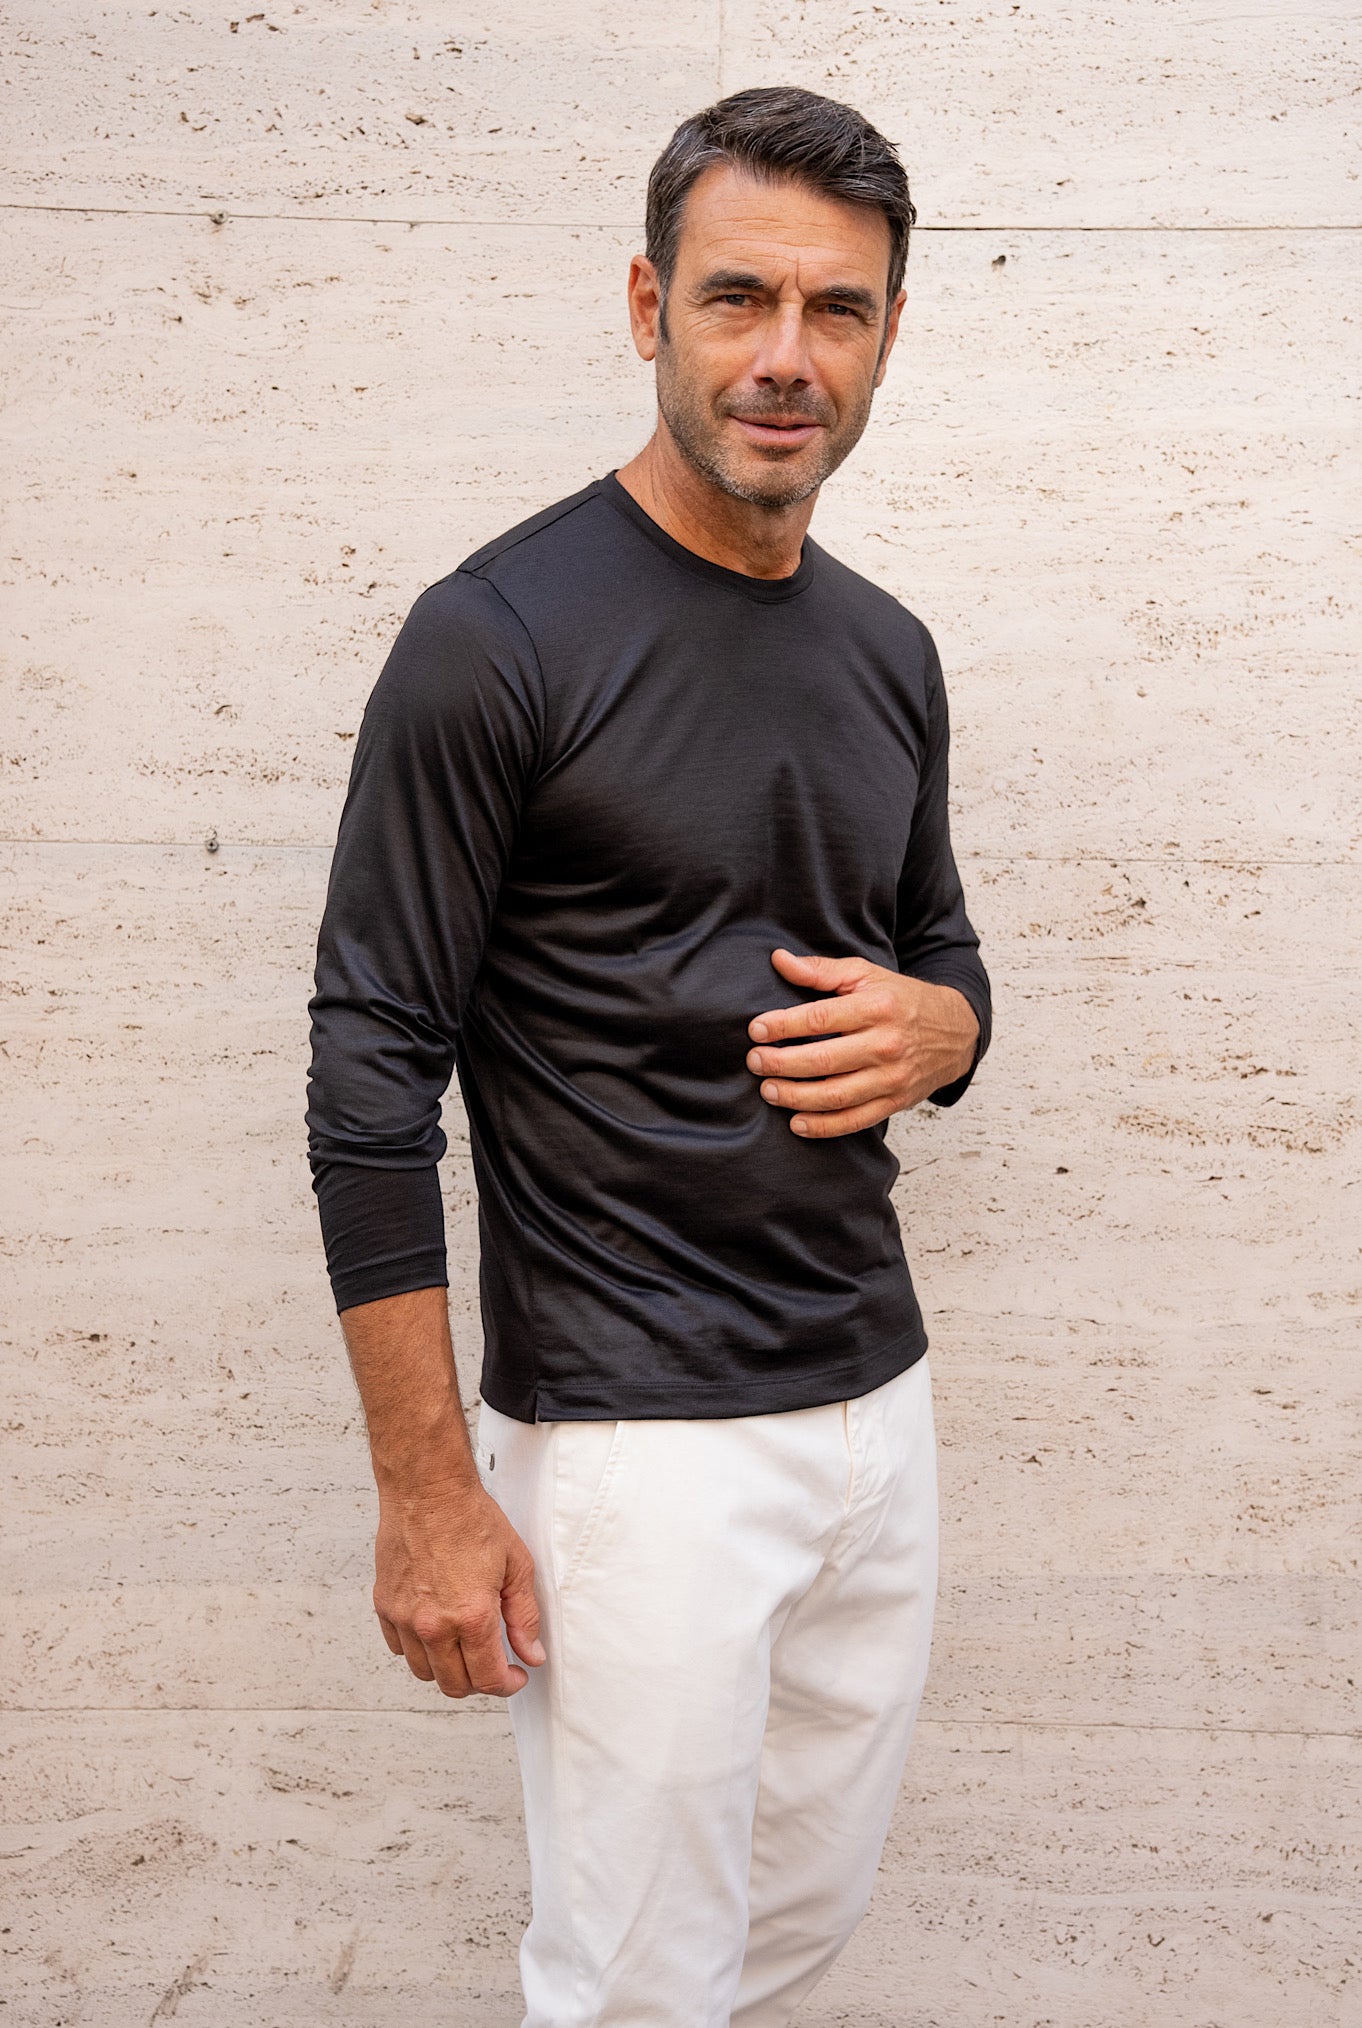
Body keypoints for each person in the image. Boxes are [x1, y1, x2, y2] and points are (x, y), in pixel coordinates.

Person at [306, 83, 991, 2028]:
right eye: (737, 298)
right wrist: (426, 1490)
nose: (786, 357)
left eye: (835, 309)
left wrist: (949, 1029)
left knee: (785, 1948)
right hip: (635, 1444)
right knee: (629, 1991)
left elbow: (939, 955)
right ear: (646, 307)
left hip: (875, 1409)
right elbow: (369, 1076)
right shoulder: (496, 636)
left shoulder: (888, 651)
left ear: (888, 333)